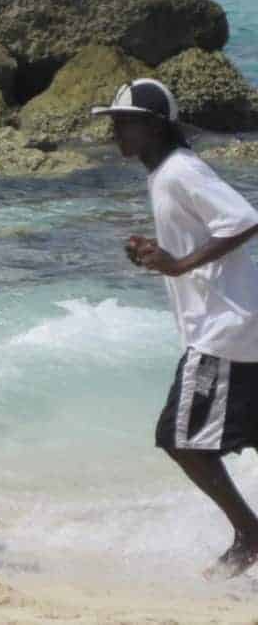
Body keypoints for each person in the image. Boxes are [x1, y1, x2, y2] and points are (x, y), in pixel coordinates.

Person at [94, 78, 258, 580]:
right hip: (239, 323)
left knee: (180, 438)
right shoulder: (165, 174)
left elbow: (245, 218)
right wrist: (158, 254)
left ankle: (250, 536)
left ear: (153, 126)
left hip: (225, 328)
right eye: (114, 123)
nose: (115, 132)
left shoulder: (180, 170)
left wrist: (180, 264)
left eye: (123, 122)